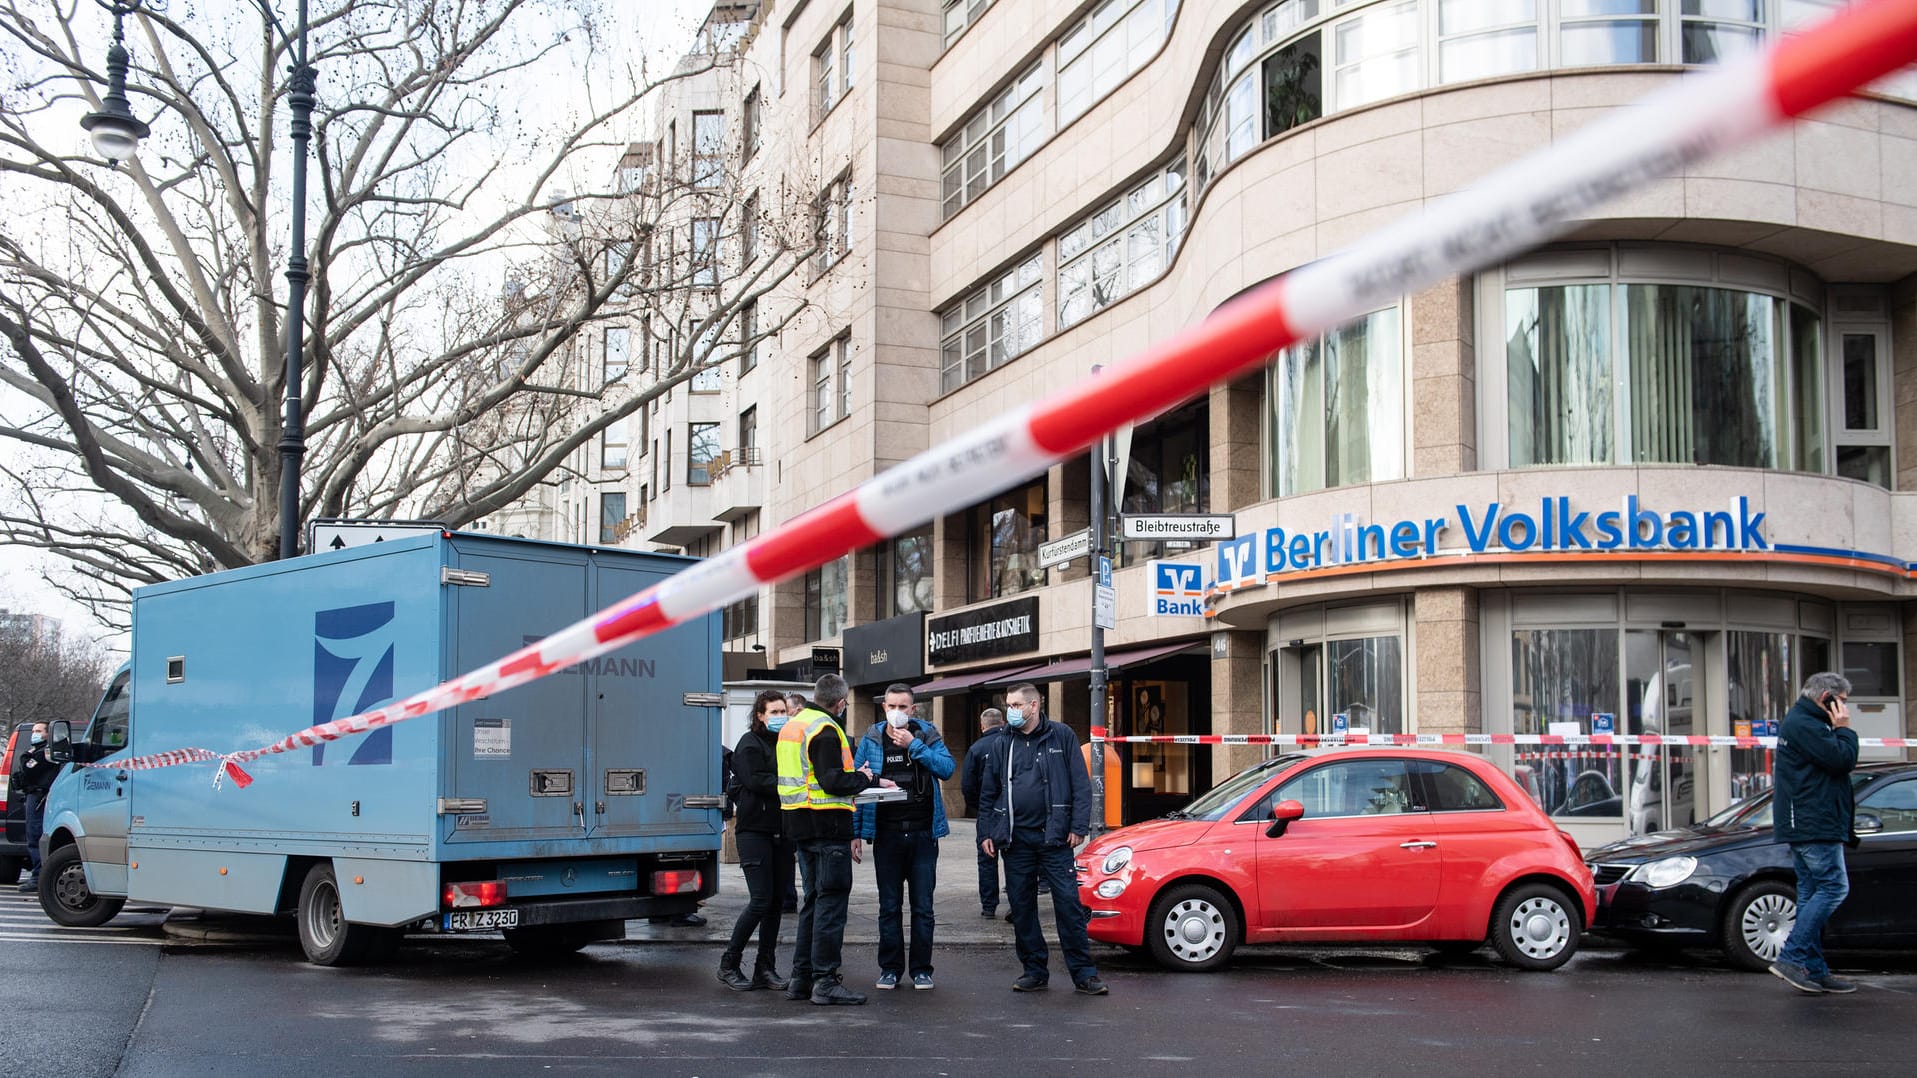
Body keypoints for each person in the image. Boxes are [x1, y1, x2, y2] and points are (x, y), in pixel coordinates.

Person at [976, 684, 1107, 996]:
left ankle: (1084, 974)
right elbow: (988, 791)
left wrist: (1078, 826)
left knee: (1068, 907)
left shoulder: (1061, 736)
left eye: (1016, 704)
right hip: (1015, 840)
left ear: (1033, 706)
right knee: (1022, 908)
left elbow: (1080, 784)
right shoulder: (1002, 742)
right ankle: (1034, 971)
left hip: (1055, 839)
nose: (1011, 710)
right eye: (1008, 704)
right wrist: (986, 832)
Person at [778, 673, 888, 1005]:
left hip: (800, 825)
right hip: (828, 829)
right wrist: (863, 777)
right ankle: (825, 980)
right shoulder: (825, 729)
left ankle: (802, 978)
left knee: (813, 902)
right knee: (831, 905)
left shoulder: (793, 725)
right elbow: (831, 780)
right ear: (840, 703)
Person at [853, 683, 955, 991]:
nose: (897, 712)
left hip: (923, 834)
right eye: (892, 706)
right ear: (883, 707)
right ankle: (890, 968)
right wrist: (855, 833)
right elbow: (858, 785)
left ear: (913, 709)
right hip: (887, 835)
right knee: (889, 906)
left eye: (903, 707)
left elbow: (947, 769)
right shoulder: (872, 738)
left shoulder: (926, 734)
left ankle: (922, 969)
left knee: (923, 907)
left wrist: (915, 746)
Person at [1768, 671, 1861, 995]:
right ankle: (1792, 958)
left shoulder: (1807, 722)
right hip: (1813, 824)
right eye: (1842, 703)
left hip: (1811, 822)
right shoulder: (1807, 724)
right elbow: (1842, 760)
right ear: (1827, 699)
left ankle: (1814, 969)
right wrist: (1844, 729)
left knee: (1810, 895)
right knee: (1834, 888)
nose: (1845, 710)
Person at [718, 690, 799, 991]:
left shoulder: (785, 743)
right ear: (760, 715)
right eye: (774, 712)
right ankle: (729, 963)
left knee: (777, 903)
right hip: (754, 833)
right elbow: (755, 780)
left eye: (783, 712)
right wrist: (790, 783)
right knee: (761, 900)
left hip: (782, 832)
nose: (780, 717)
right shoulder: (749, 744)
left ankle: (765, 967)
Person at [962, 707, 1007, 918]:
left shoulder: (976, 748)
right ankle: (1017, 902)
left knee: (987, 858)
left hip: (987, 811)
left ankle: (989, 906)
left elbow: (967, 784)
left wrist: (977, 806)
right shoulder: (1011, 743)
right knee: (1015, 858)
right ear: (1003, 723)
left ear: (982, 726)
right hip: (1011, 811)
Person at [15, 722, 56, 892]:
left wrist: (25, 756)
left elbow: (29, 769)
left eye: (38, 731)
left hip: (39, 797)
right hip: (34, 796)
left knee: (35, 836)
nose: (34, 734)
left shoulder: (44, 753)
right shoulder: (38, 751)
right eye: (33, 731)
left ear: (48, 734)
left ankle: (38, 876)